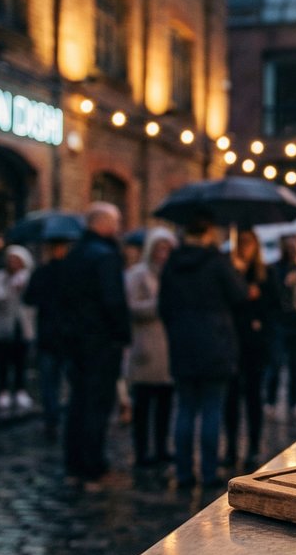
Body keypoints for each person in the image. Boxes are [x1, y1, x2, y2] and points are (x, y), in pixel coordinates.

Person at [158, 210, 247, 489]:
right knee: (211, 408)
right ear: (208, 233)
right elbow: (240, 296)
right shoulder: (217, 261)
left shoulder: (172, 262)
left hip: (182, 342)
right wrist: (236, 271)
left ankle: (184, 472)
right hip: (215, 343)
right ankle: (208, 472)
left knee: (184, 408)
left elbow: (163, 305)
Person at [58, 202, 132, 489]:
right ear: (103, 224)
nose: (119, 228)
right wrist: (122, 335)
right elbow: (113, 301)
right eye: (116, 222)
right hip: (100, 342)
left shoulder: (74, 254)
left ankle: (74, 466)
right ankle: (93, 468)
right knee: (96, 405)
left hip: (76, 341)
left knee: (78, 403)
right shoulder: (105, 256)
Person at [224, 229, 278, 470]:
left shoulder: (265, 272)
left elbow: (274, 305)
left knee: (253, 396)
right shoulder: (228, 271)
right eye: (241, 243)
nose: (245, 248)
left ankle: (254, 446)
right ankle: (230, 447)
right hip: (232, 340)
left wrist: (257, 303)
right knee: (231, 397)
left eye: (249, 243)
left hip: (255, 343)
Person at [125, 226, 177, 467]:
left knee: (165, 403)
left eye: (167, 249)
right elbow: (131, 307)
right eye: (159, 248)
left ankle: (161, 447)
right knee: (143, 404)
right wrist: (159, 304)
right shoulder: (138, 274)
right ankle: (141, 450)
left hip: (168, 347)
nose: (163, 254)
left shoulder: (173, 274)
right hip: (146, 345)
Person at [25, 237, 73, 440]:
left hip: (48, 333)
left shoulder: (42, 272)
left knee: (49, 383)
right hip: (66, 335)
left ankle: (52, 418)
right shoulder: (72, 272)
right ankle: (62, 418)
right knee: (66, 380)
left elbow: (29, 298)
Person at [264, 233, 296, 421]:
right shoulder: (275, 269)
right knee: (275, 364)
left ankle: (295, 404)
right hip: (279, 323)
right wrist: (285, 284)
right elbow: (272, 295)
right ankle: (270, 402)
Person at [0, 244, 36, 413]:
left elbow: (33, 300)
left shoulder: (27, 277)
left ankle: (20, 390)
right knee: (3, 360)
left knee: (20, 360)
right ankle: (3, 391)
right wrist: (9, 289)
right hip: (3, 325)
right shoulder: (0, 277)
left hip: (21, 325)